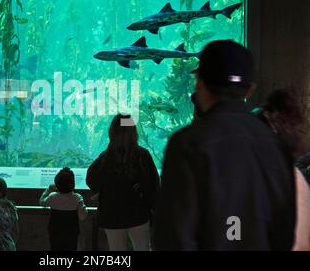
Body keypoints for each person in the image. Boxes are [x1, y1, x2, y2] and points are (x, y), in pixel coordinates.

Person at [154, 40, 296, 250]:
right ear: (249, 90)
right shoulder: (275, 145)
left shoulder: (186, 144)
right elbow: (284, 233)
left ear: (199, 83)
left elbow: (174, 238)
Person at [86, 114, 160, 251]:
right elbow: (154, 186)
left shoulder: (105, 157)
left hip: (111, 217)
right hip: (139, 216)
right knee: (143, 248)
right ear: (133, 132)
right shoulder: (143, 155)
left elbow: (90, 179)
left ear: (112, 132)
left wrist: (101, 193)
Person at [40, 167, 88, 251]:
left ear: (57, 183)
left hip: (55, 233)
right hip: (71, 234)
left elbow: (42, 202)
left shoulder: (53, 196)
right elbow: (82, 216)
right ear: (73, 184)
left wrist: (49, 189)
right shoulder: (77, 198)